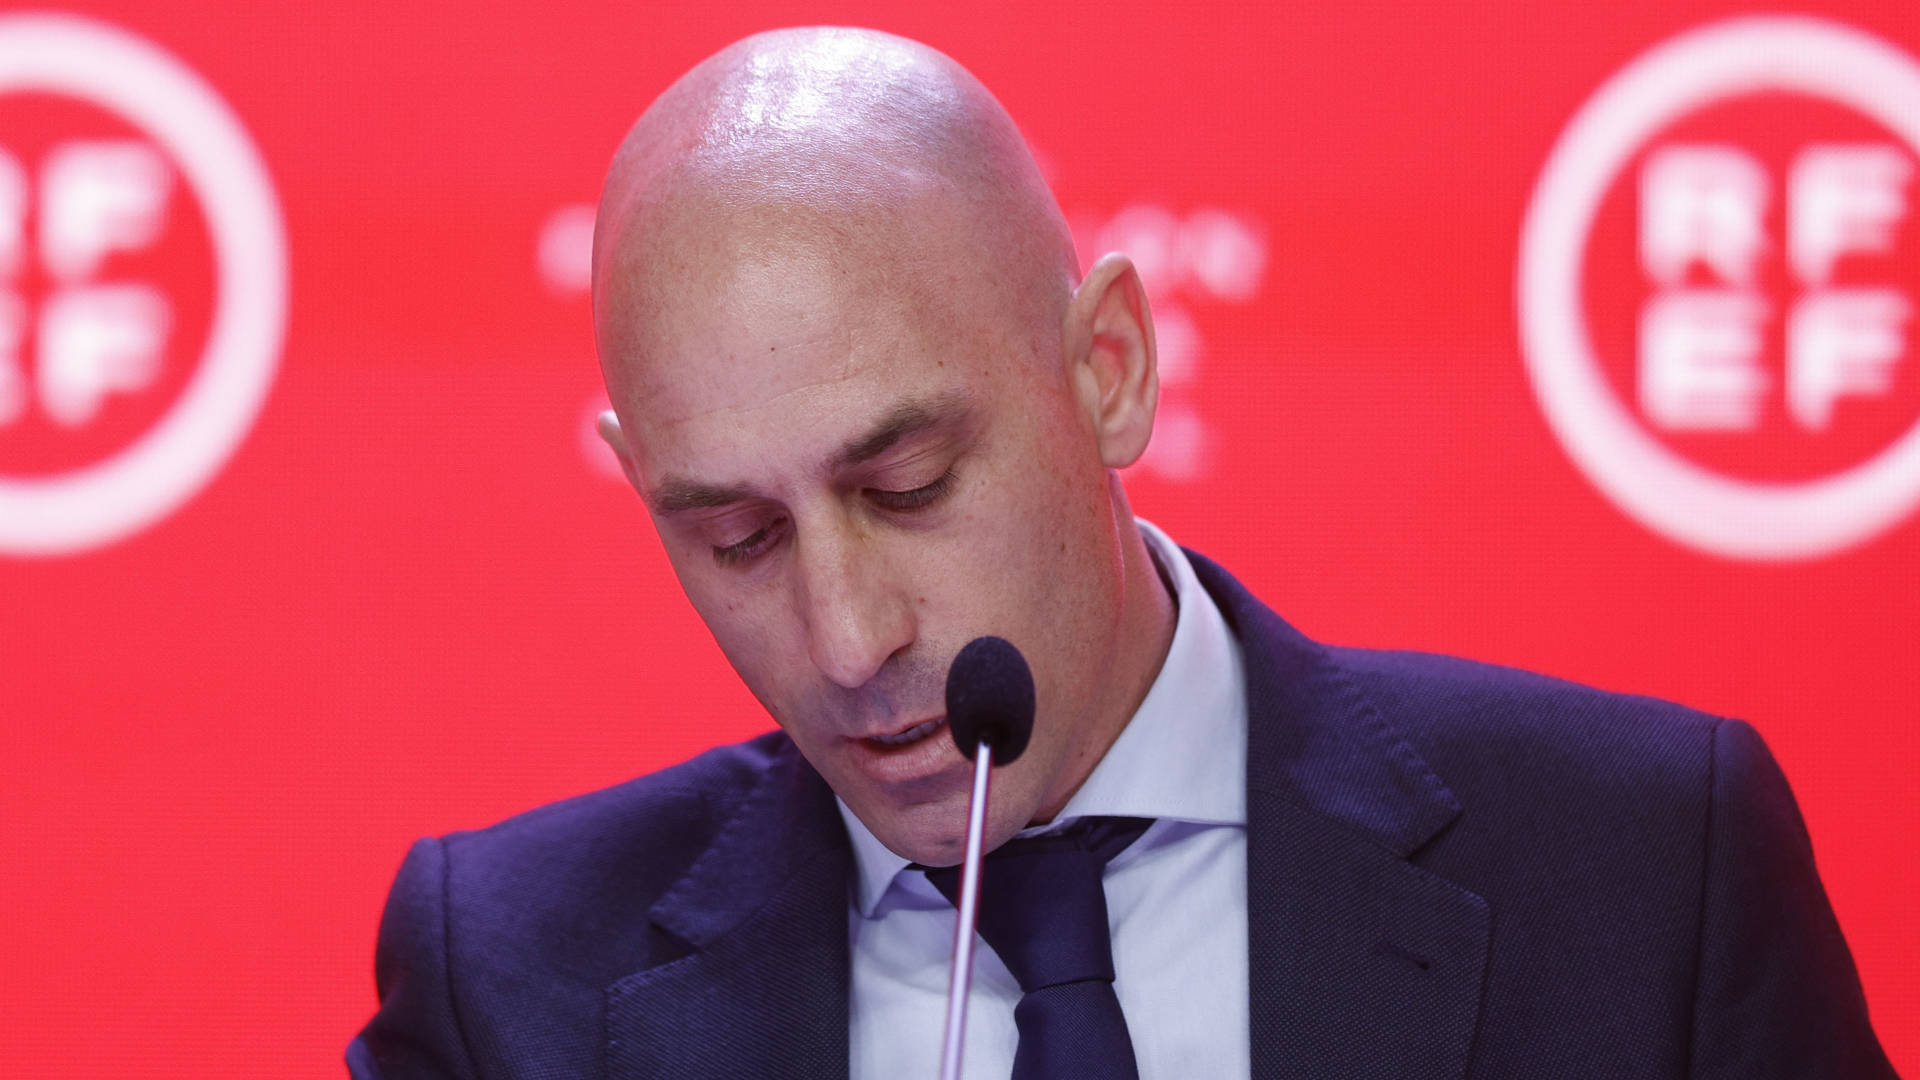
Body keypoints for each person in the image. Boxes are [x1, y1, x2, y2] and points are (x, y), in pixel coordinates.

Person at [347, 26, 1896, 1080]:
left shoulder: (1647, 869)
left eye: (908, 485)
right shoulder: (507, 984)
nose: (846, 638)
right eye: (737, 536)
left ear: (1110, 369)